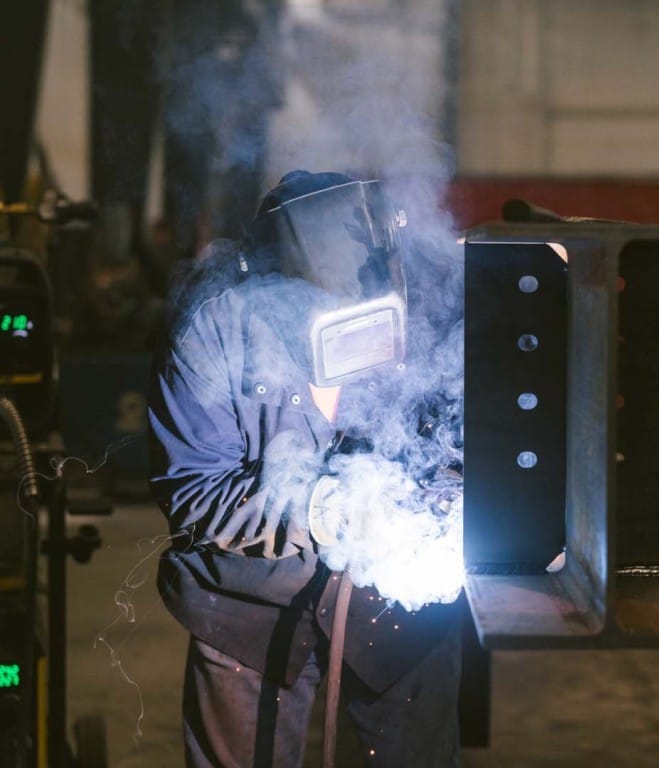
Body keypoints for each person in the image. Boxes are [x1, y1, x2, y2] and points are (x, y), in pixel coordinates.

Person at [148, 170, 463, 767]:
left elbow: (462, 441)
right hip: (246, 609)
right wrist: (319, 509)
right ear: (272, 292)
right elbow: (192, 490)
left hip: (399, 614)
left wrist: (445, 501)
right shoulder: (214, 332)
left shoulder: (422, 309)